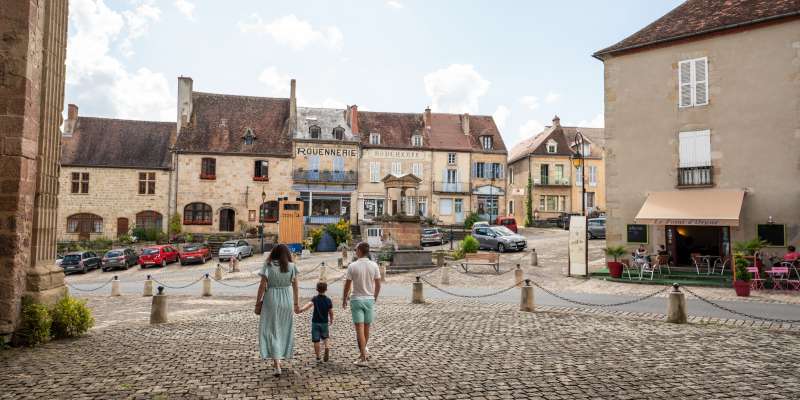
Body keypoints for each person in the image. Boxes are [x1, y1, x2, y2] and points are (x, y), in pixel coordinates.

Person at [254, 244, 300, 377]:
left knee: (271, 330)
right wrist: (296, 303)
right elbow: (296, 286)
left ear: (273, 253)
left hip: (271, 299)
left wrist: (258, 302)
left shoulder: (268, 265)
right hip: (287, 299)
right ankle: (281, 356)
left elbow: (262, 286)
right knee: (284, 329)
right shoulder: (291, 266)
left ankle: (277, 364)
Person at [342, 242, 381, 367]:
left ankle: (363, 356)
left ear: (359, 251)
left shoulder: (352, 266)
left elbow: (347, 285)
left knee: (359, 330)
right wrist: (374, 297)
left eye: (355, 249)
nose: (355, 251)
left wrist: (344, 298)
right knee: (366, 328)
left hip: (356, 300)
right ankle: (363, 352)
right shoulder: (374, 265)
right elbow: (378, 284)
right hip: (369, 300)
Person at [296, 281, 334, 363]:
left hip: (315, 323)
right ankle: (327, 347)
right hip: (324, 322)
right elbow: (331, 312)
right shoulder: (328, 300)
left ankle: (318, 357)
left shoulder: (315, 299)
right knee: (325, 337)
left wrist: (301, 310)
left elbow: (309, 305)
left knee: (316, 340)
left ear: (316, 289)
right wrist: (331, 319)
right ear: (326, 289)